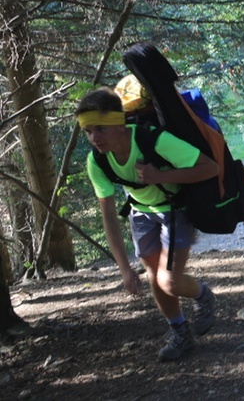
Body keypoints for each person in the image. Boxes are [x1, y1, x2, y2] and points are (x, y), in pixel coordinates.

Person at [76, 87, 218, 362]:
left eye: (101, 129)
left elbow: (209, 168)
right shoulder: (97, 161)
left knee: (169, 280)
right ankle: (180, 332)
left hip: (174, 209)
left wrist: (159, 176)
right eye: (88, 131)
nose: (94, 138)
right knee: (155, 276)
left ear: (118, 124)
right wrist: (124, 269)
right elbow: (108, 216)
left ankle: (203, 295)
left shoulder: (153, 139)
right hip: (140, 213)